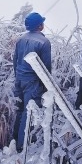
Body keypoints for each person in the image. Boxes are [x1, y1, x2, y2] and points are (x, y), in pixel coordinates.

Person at [12, 12, 51, 150]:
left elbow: (15, 60)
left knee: (20, 110)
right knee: (29, 113)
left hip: (19, 79)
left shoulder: (21, 39)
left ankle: (14, 141)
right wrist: (47, 86)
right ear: (39, 26)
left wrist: (18, 77)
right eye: (42, 22)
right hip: (33, 82)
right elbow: (46, 67)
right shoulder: (44, 42)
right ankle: (23, 147)